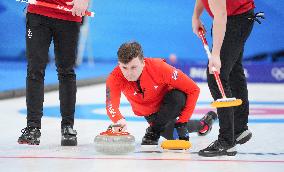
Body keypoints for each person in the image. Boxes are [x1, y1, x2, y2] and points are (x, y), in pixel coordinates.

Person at [106, 41, 217, 145]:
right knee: (174, 135)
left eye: (133, 67)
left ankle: (154, 130)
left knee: (177, 98)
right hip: (150, 113)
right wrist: (119, 120)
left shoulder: (159, 68)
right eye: (124, 67)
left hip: (171, 103)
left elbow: (193, 89)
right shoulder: (115, 77)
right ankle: (205, 124)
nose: (129, 73)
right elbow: (111, 105)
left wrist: (182, 122)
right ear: (119, 64)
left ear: (143, 62)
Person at [18, 0, 90, 146]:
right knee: (35, 70)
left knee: (66, 72)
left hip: (69, 15)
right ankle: (32, 127)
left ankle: (67, 127)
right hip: (38, 12)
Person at [192, 0, 258, 156]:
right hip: (236, 16)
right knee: (234, 70)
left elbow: (221, 14)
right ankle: (239, 129)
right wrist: (196, 16)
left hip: (234, 19)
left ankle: (227, 141)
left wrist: (215, 55)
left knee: (216, 75)